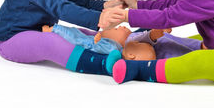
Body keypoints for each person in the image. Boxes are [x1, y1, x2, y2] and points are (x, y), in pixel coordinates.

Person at [42, 24, 172, 61]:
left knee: (74, 36)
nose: (137, 41)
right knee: (76, 33)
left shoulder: (114, 50)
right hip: (90, 40)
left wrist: (98, 42)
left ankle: (53, 30)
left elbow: (100, 48)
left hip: (87, 43)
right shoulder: (119, 46)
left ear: (131, 55)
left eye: (138, 44)